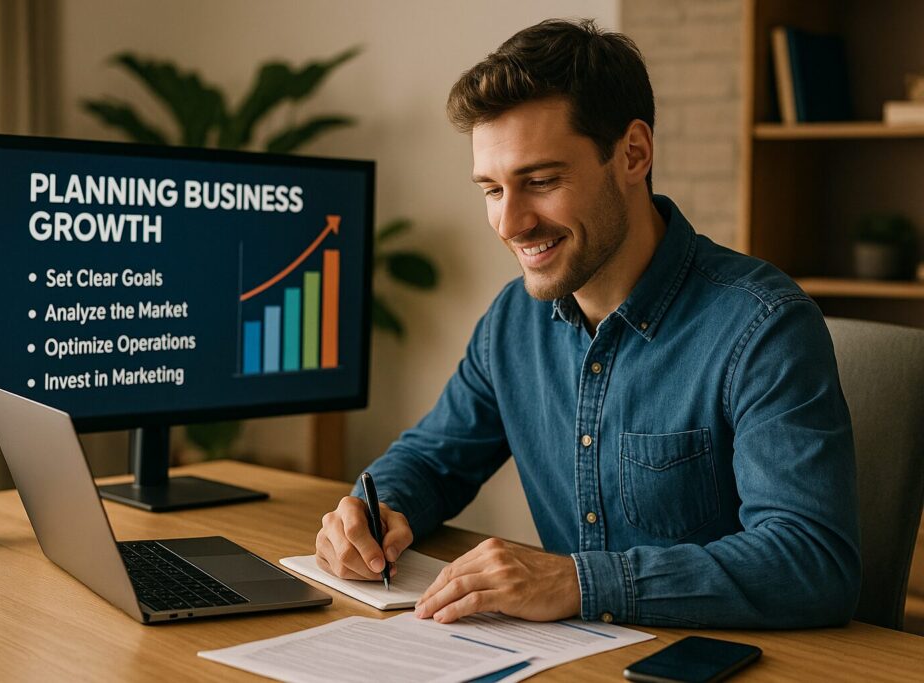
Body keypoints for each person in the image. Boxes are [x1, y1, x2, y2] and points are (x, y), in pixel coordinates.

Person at [314, 18, 861, 628]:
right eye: (492, 189)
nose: (509, 223)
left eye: (541, 181)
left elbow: (812, 561)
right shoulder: (512, 322)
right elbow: (435, 459)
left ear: (633, 154)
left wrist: (581, 581)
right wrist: (376, 509)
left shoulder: (762, 327)